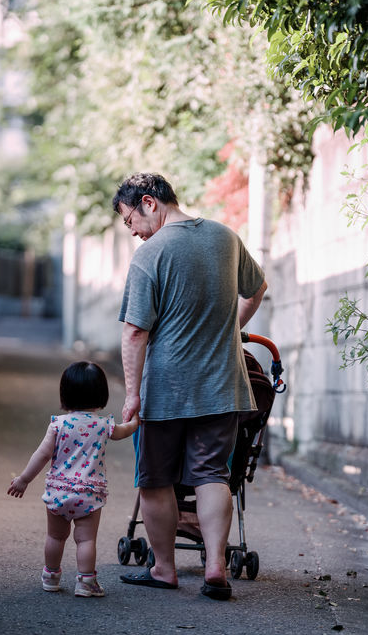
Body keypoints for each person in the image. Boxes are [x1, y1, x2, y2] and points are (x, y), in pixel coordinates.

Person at [113, 172, 267, 600]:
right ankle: (215, 566)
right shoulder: (226, 237)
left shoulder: (151, 255)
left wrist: (131, 394)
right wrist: (230, 331)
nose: (133, 233)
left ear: (149, 202)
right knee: (213, 475)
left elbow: (134, 333)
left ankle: (164, 570)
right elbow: (256, 290)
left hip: (166, 390)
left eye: (130, 221)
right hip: (223, 384)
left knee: (155, 479)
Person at [7, 360, 139, 597]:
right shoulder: (103, 425)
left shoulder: (58, 425)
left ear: (64, 394)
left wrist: (24, 479)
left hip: (59, 491)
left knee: (55, 537)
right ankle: (86, 582)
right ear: (102, 395)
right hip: (89, 494)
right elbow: (124, 431)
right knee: (86, 540)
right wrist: (135, 422)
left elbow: (42, 455)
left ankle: (51, 576)